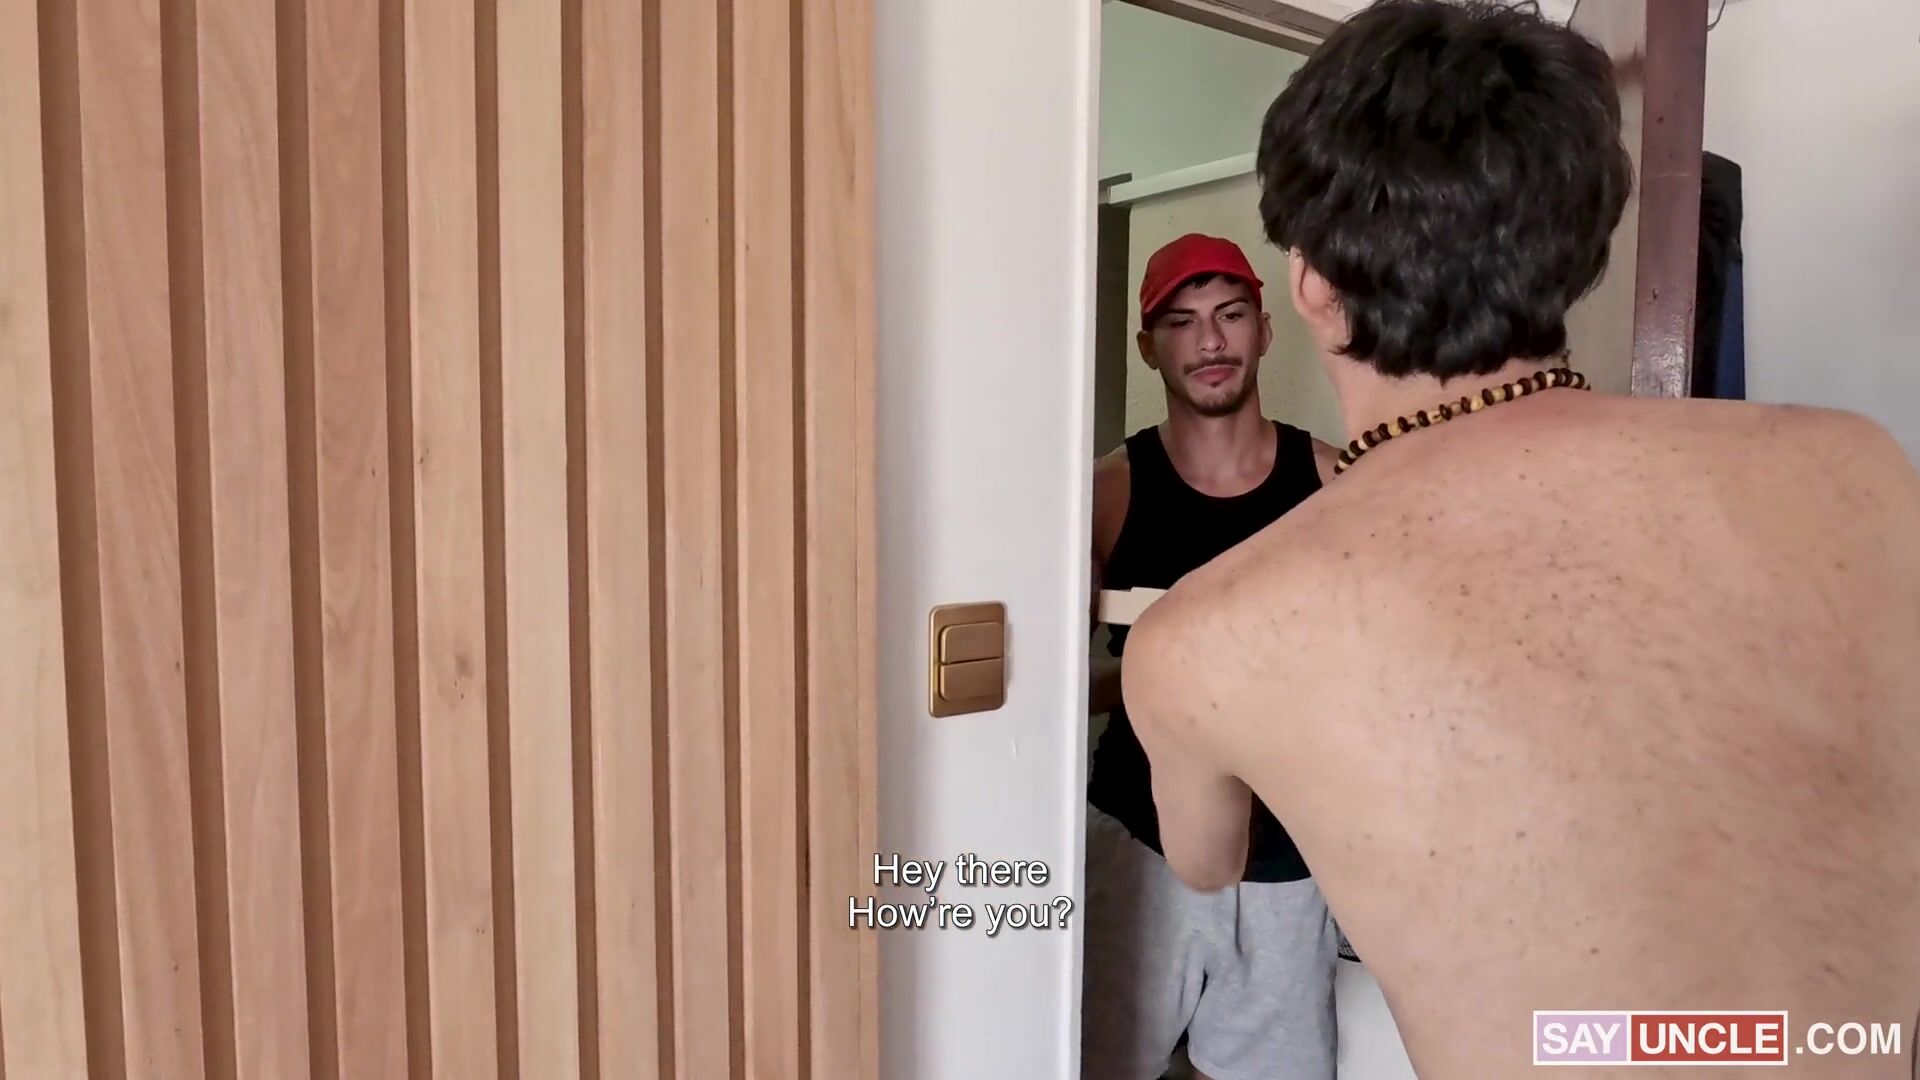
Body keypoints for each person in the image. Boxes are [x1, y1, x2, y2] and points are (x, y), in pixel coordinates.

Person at [1119, 3, 1920, 1079]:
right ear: (1581, 249)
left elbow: (1206, 863)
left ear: (1304, 289)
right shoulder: (1854, 469)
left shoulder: (1198, 639)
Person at [1082, 232, 1344, 1080]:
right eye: (1181, 322)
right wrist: (1176, 670)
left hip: (1291, 858)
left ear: (1264, 330)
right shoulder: (1108, 494)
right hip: (1139, 843)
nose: (1209, 341)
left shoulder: (1335, 486)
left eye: (1230, 315)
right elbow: (1045, 683)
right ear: (1148, 346)